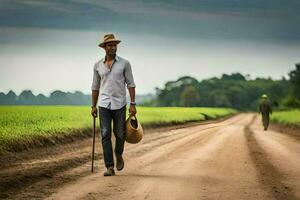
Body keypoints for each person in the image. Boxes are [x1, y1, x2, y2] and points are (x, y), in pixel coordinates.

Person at [91, 33, 137, 176]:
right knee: (105, 134)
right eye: (110, 45)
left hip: (120, 104)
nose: (113, 47)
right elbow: (95, 86)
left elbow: (131, 84)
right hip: (104, 104)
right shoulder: (98, 65)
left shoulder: (125, 63)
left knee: (119, 134)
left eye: (115, 45)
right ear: (104, 47)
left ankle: (118, 154)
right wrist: (93, 106)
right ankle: (109, 167)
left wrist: (133, 103)